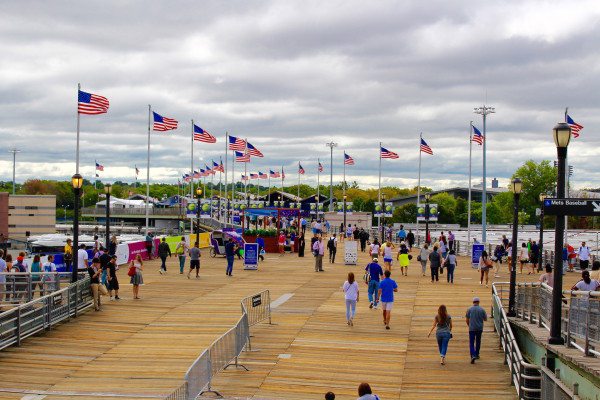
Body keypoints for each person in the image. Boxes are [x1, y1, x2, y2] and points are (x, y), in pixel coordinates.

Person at [466, 297, 487, 364]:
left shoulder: (469, 309)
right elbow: (485, 319)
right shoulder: (482, 309)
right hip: (479, 328)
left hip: (471, 328)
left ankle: (473, 355)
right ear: (479, 302)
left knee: (471, 343)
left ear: (473, 302)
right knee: (478, 341)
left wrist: (469, 325)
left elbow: (467, 319)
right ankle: (477, 354)